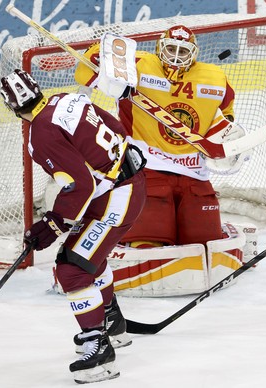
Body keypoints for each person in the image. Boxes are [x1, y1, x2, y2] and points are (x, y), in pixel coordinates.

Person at [0, 69, 146, 383]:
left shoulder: (40, 134)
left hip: (117, 197)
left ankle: (100, 351)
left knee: (72, 268)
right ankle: (111, 323)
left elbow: (79, 185)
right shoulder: (65, 100)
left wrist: (53, 224)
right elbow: (115, 126)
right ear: (38, 90)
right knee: (89, 257)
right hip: (122, 184)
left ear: (12, 107)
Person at [74, 25, 238, 250]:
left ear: (194, 53)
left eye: (183, 51)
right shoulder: (139, 65)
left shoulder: (216, 78)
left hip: (195, 175)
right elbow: (85, 71)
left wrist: (226, 139)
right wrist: (108, 66)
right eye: (171, 49)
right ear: (159, 47)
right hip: (146, 170)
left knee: (205, 244)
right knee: (146, 243)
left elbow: (226, 117)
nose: (176, 56)